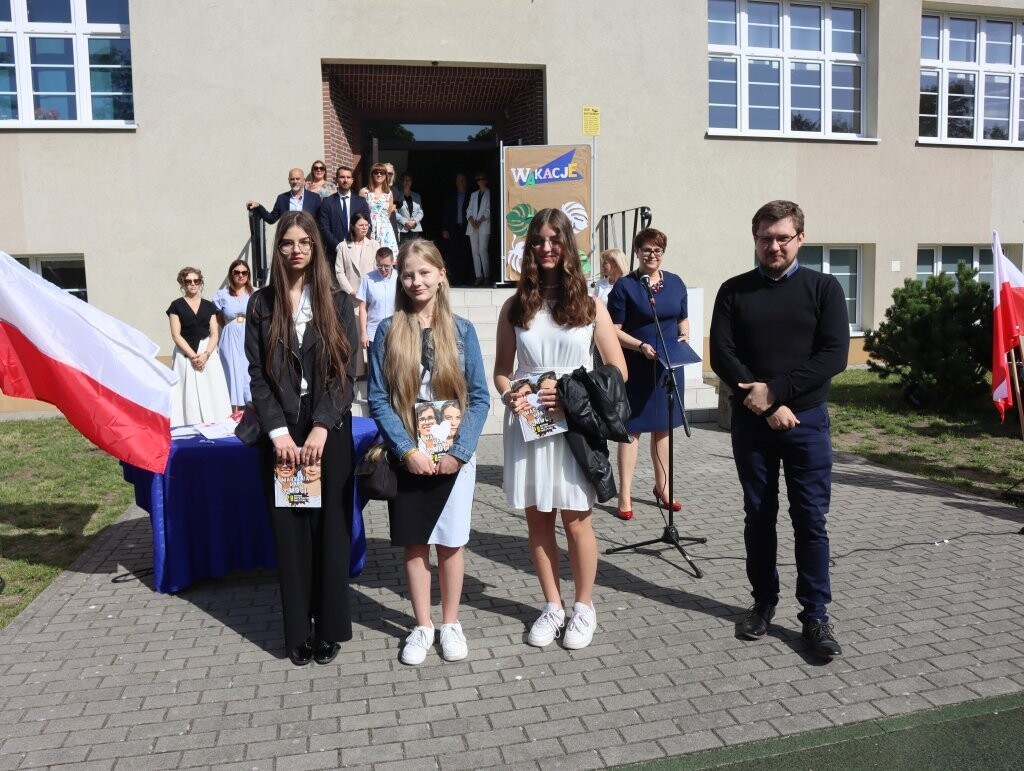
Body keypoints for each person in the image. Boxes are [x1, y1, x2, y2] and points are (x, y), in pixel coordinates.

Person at [709, 199, 849, 661]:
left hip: (807, 423)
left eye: (783, 238)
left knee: (810, 520)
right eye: (765, 238)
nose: (774, 246)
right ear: (755, 239)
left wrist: (777, 392)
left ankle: (815, 616)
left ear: (800, 239)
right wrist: (766, 404)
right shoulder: (734, 291)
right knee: (759, 515)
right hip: (753, 425)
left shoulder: (824, 288)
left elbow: (833, 356)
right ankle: (763, 603)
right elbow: (723, 355)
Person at [493, 208, 626, 651]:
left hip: (573, 426)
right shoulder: (515, 306)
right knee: (538, 520)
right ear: (529, 247)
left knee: (576, 520)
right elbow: (502, 370)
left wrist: (570, 393)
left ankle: (584, 607)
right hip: (529, 424)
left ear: (568, 245)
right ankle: (552, 605)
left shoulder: (590, 305)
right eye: (538, 240)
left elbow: (617, 370)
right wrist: (509, 393)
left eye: (555, 239)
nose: (546, 247)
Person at [367, 239, 490, 666]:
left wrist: (460, 451)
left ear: (441, 275)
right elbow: (378, 397)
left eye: (424, 272)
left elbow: (479, 396)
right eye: (408, 274)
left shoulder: (463, 331)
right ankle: (422, 625)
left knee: (451, 543)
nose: (416, 281)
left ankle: (450, 623)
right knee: (415, 543)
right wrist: (406, 450)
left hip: (453, 455)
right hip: (410, 456)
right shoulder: (388, 330)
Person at [244, 210, 359, 667]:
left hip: (328, 431)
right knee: (291, 536)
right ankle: (297, 631)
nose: (296, 250)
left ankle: (328, 627)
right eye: (288, 242)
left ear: (316, 248)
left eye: (304, 242)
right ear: (278, 249)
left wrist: (322, 425)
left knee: (330, 534)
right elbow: (257, 376)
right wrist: (277, 432)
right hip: (283, 436)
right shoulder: (261, 303)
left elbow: (345, 374)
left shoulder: (338, 302)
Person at [606, 228, 689, 521]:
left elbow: (683, 318)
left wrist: (684, 335)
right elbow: (613, 330)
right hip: (637, 367)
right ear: (637, 253)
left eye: (657, 250)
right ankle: (625, 494)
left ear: (663, 253)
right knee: (632, 430)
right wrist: (640, 346)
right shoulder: (625, 286)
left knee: (663, 429)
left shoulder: (676, 283)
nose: (652, 255)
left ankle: (663, 488)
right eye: (646, 250)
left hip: (668, 367)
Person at [167, 267, 232, 426]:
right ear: (183, 283)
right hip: (185, 353)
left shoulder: (209, 306)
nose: (192, 284)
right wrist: (193, 356)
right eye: (188, 281)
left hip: (207, 351)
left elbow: (214, 333)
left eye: (196, 281)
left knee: (212, 387)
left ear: (200, 282)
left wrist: (206, 354)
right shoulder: (176, 306)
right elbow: (176, 335)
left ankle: (216, 422)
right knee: (186, 389)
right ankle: (187, 423)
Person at [213, 259, 254, 411]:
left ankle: (251, 410)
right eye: (237, 272)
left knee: (248, 370)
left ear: (248, 274)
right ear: (231, 274)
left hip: (250, 335)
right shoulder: (222, 294)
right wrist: (230, 327)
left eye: (244, 272)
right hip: (229, 335)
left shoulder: (255, 293)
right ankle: (233, 411)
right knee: (231, 369)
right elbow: (217, 317)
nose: (240, 275)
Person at [319, 165, 372, 261]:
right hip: (334, 253)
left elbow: (368, 224)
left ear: (352, 180)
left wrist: (358, 244)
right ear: (336, 180)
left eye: (348, 177)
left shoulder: (361, 202)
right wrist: (338, 246)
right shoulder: (327, 202)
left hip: (358, 251)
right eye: (342, 177)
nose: (345, 180)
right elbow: (324, 228)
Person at [356, 247, 397, 354]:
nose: (383, 269)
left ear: (392, 262)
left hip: (395, 331)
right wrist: (363, 333)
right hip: (374, 332)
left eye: (386, 266)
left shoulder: (399, 278)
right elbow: (362, 308)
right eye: (379, 265)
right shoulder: (368, 279)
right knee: (375, 365)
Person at [247, 168, 321, 224]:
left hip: (308, 238)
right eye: (292, 179)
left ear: (304, 180)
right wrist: (259, 206)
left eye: (298, 179)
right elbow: (271, 219)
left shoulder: (315, 198)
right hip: (288, 239)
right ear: (289, 181)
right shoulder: (282, 199)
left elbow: (320, 221)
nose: (295, 181)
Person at [335, 212, 380, 296]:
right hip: (350, 295)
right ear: (352, 226)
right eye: (361, 225)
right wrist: (350, 291)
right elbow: (339, 272)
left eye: (366, 225)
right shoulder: (343, 247)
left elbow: (377, 269)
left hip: (370, 294)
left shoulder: (374, 245)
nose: (364, 228)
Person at [441, 173, 472, 285]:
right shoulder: (451, 197)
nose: (462, 182)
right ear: (456, 183)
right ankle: (453, 278)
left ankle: (465, 278)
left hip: (467, 227)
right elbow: (446, 213)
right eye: (460, 180)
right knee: (453, 253)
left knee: (465, 253)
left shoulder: (471, 196)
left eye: (464, 180)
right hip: (453, 228)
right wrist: (445, 228)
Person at [364, 162, 398, 254]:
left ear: (385, 175)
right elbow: (360, 214)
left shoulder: (389, 193)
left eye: (382, 172)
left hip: (385, 231)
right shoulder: (364, 192)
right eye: (376, 172)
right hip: (369, 229)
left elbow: (388, 214)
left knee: (386, 258)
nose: (379, 175)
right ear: (372, 174)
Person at [467, 172, 491, 286]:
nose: (480, 181)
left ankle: (487, 276)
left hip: (484, 225)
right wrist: (472, 221)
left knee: (482, 250)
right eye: (478, 179)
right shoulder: (473, 194)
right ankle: (479, 276)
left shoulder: (490, 193)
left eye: (482, 178)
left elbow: (489, 210)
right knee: (475, 251)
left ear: (486, 180)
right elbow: (469, 210)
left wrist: (479, 221)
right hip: (472, 226)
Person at [396, 173, 424, 244]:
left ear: (411, 182)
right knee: (403, 249)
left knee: (414, 249)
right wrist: (405, 222)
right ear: (401, 182)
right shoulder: (397, 195)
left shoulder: (417, 196)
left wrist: (414, 221)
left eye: (408, 180)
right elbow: (394, 212)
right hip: (402, 229)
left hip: (415, 229)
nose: (406, 182)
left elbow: (420, 212)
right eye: (404, 180)